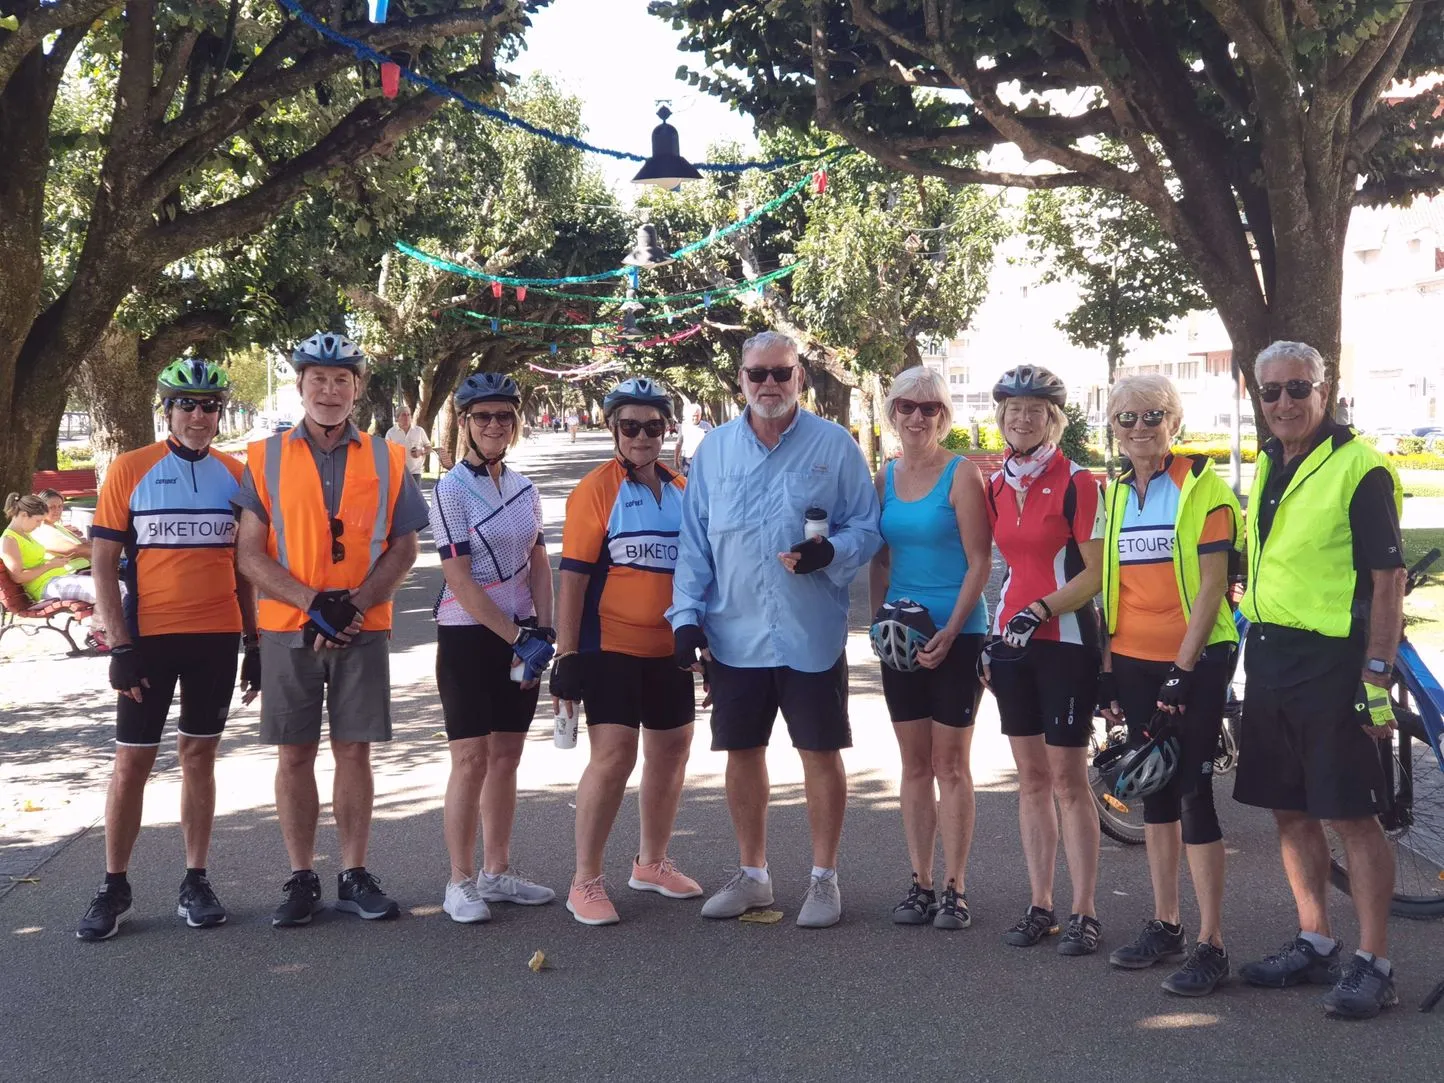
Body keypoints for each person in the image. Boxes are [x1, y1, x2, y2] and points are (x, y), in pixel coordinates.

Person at [669, 331, 882, 928]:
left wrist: (831, 551)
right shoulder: (714, 452)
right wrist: (685, 619)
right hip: (734, 633)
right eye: (757, 373)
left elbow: (867, 526)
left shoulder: (834, 445)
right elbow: (694, 547)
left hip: (809, 633)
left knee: (819, 751)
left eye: (781, 374)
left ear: (800, 379)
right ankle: (754, 875)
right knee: (742, 752)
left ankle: (823, 879)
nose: (769, 384)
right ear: (739, 379)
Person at [1231, 341, 1405, 1019]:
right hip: (1272, 657)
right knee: (1290, 807)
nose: (1282, 403)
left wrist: (1377, 673)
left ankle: (1375, 959)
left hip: (1334, 664)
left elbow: (1389, 581)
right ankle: (1315, 937)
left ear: (1323, 390)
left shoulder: (1360, 468)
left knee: (1350, 816)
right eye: (1269, 392)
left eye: (1296, 389)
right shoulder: (1273, 461)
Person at [233, 331, 427, 927]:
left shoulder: (387, 456)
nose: (330, 389)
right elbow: (249, 554)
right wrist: (316, 602)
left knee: (354, 752)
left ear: (357, 388)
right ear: (300, 385)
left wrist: (357, 604)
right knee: (295, 755)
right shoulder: (262, 456)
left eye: (342, 379)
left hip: (360, 629)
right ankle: (300, 876)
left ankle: (353, 871)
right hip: (289, 628)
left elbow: (404, 546)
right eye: (318, 378)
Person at [73, 359, 260, 940]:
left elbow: (246, 567)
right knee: (133, 761)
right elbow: (103, 566)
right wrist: (118, 645)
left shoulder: (238, 474)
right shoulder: (130, 469)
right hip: (148, 638)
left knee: (199, 757)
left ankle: (195, 879)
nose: (199, 415)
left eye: (210, 405)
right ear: (168, 410)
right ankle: (114, 884)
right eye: (188, 404)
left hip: (217, 636)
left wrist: (254, 642)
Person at [1097, 374, 1241, 996]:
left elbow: (1212, 591)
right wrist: (1106, 667)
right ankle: (1166, 923)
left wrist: (1183, 670)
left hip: (1197, 659)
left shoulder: (1204, 491)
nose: (1138, 428)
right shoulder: (1116, 494)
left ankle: (1212, 943)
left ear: (1173, 421)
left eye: (1152, 415)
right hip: (1132, 659)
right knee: (1152, 787)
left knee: (1192, 791)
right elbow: (1110, 585)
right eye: (1125, 418)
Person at [552, 377, 700, 926]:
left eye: (653, 426)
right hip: (609, 645)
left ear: (666, 430)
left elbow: (700, 569)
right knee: (615, 756)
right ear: (613, 429)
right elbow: (572, 580)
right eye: (630, 426)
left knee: (672, 751)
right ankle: (584, 880)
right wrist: (567, 657)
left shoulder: (683, 486)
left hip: (670, 647)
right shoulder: (595, 489)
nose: (642, 436)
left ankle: (651, 863)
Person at [981, 365, 1106, 956]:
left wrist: (1040, 609)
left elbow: (1094, 574)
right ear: (1001, 419)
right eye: (1013, 410)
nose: (1022, 418)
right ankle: (1041, 905)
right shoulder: (998, 485)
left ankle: (1084, 910)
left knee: (1067, 778)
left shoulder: (1079, 481)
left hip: (1066, 644)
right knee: (1030, 781)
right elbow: (1001, 566)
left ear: (1053, 419)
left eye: (1035, 410)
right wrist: (995, 630)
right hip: (1013, 646)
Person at [429, 372, 557, 924]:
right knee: (471, 759)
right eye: (483, 416)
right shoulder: (449, 490)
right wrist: (517, 637)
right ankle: (459, 880)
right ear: (465, 423)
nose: (495, 425)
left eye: (504, 416)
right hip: (467, 634)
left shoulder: (525, 489)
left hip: (521, 635)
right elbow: (458, 578)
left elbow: (538, 561)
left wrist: (545, 631)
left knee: (507, 756)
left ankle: (496, 871)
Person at [868, 366, 990, 930]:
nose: (918, 417)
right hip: (902, 637)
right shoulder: (885, 476)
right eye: (907, 407)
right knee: (914, 766)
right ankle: (919, 881)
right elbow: (881, 558)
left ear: (945, 416)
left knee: (951, 765)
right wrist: (877, 621)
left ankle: (955, 887)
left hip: (956, 637)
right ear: (891, 412)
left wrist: (951, 630)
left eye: (931, 408)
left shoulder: (963, 475)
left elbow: (980, 562)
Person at [2, 494, 93, 603]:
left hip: (58, 579)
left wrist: (55, 562)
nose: (39, 525)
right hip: (45, 586)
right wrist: (50, 564)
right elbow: (18, 577)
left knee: (112, 587)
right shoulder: (9, 539)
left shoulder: (25, 534)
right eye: (38, 521)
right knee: (103, 592)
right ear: (24, 515)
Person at [34, 489, 91, 572]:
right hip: (68, 574)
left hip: (85, 569)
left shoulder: (57, 526)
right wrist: (100, 551)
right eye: (52, 507)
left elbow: (83, 544)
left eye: (60, 506)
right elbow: (73, 550)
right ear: (40, 509)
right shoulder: (40, 530)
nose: (57, 510)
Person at [385, 406, 432, 483]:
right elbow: (386, 452)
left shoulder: (419, 431)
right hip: (398, 473)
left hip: (415, 472)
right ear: (397, 418)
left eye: (408, 415)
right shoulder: (391, 433)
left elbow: (429, 448)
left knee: (415, 495)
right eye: (403, 415)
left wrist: (421, 451)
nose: (406, 417)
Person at [672, 403, 713, 476]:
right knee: (688, 481)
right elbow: (679, 443)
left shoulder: (707, 426)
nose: (695, 418)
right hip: (688, 459)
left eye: (698, 415)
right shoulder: (684, 426)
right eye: (694, 415)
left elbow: (713, 443)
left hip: (703, 460)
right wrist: (676, 459)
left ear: (700, 415)